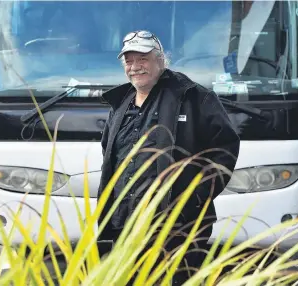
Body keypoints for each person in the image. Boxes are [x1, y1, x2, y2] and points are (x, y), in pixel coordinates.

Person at [97, 30, 240, 284]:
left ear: (161, 60)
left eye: (143, 58)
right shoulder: (120, 104)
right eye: (129, 60)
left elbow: (224, 151)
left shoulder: (195, 97)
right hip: (123, 226)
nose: (135, 67)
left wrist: (195, 197)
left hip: (174, 228)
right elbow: (111, 155)